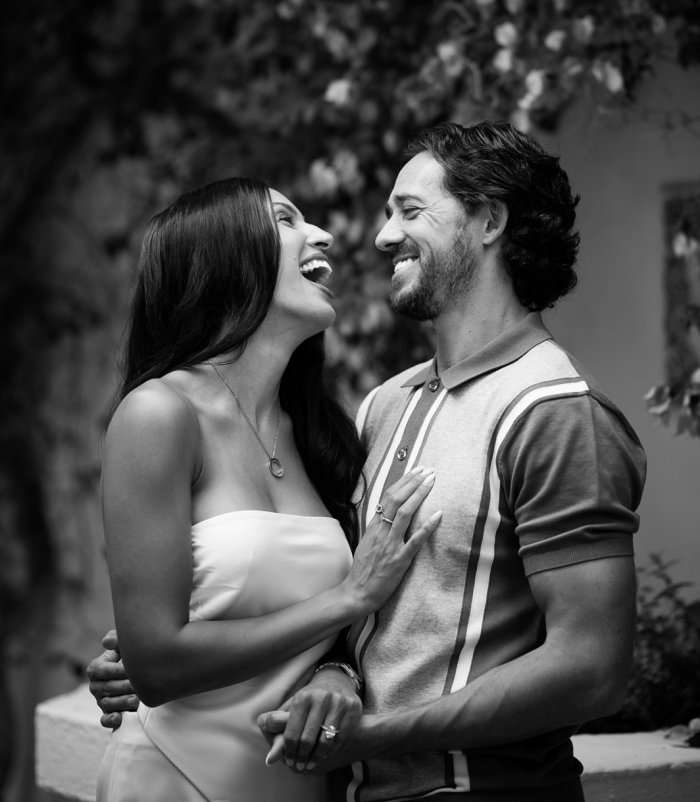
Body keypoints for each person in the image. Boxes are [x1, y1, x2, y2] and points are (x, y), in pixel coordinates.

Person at [91, 122, 646, 802]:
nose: (380, 237)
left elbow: (592, 670)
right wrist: (331, 674)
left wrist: (377, 733)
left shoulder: (557, 412)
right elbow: (357, 616)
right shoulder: (380, 408)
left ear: (489, 222)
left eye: (409, 211)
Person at [91, 176, 442, 802]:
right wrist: (349, 598)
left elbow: (342, 635)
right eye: (286, 219)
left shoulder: (322, 432)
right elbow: (157, 665)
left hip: (297, 785)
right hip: (175, 779)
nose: (322, 234)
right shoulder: (159, 414)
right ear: (222, 257)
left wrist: (337, 674)